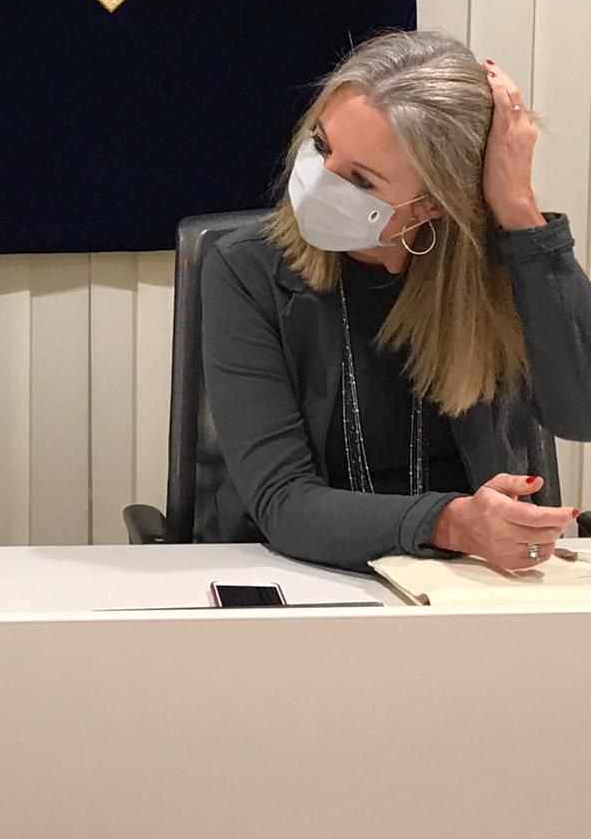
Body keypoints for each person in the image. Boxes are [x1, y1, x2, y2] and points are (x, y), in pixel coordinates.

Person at [203, 30, 590, 570]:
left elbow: (582, 412)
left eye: (360, 179)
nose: (318, 181)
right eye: (321, 144)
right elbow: (282, 501)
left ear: (432, 205)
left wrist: (521, 213)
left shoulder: (499, 268)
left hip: (478, 580)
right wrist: (450, 522)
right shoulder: (246, 267)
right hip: (299, 570)